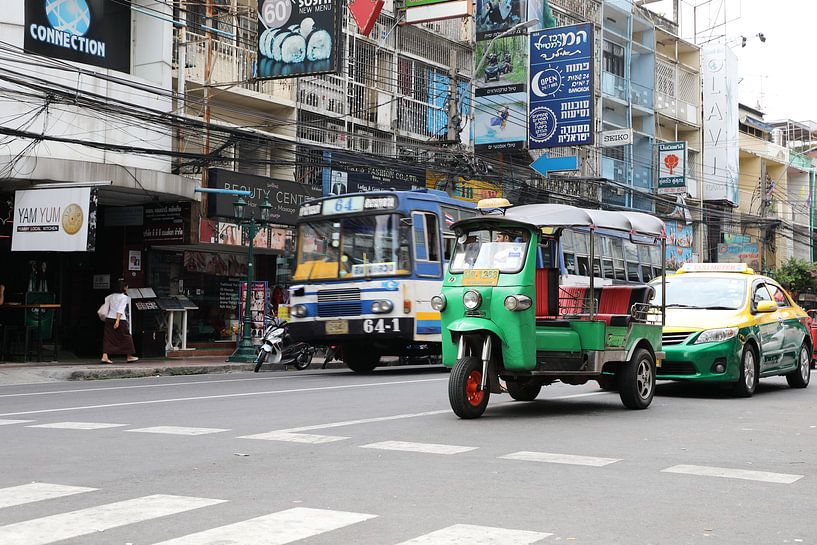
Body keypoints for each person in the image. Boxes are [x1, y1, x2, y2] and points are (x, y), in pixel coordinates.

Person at [101, 280, 138, 364]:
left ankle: (105, 356)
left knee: (108, 337)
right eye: (127, 286)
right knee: (126, 337)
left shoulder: (110, 296)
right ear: (124, 288)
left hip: (109, 318)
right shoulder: (124, 297)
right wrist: (117, 321)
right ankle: (129, 356)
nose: (127, 288)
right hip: (120, 320)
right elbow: (120, 309)